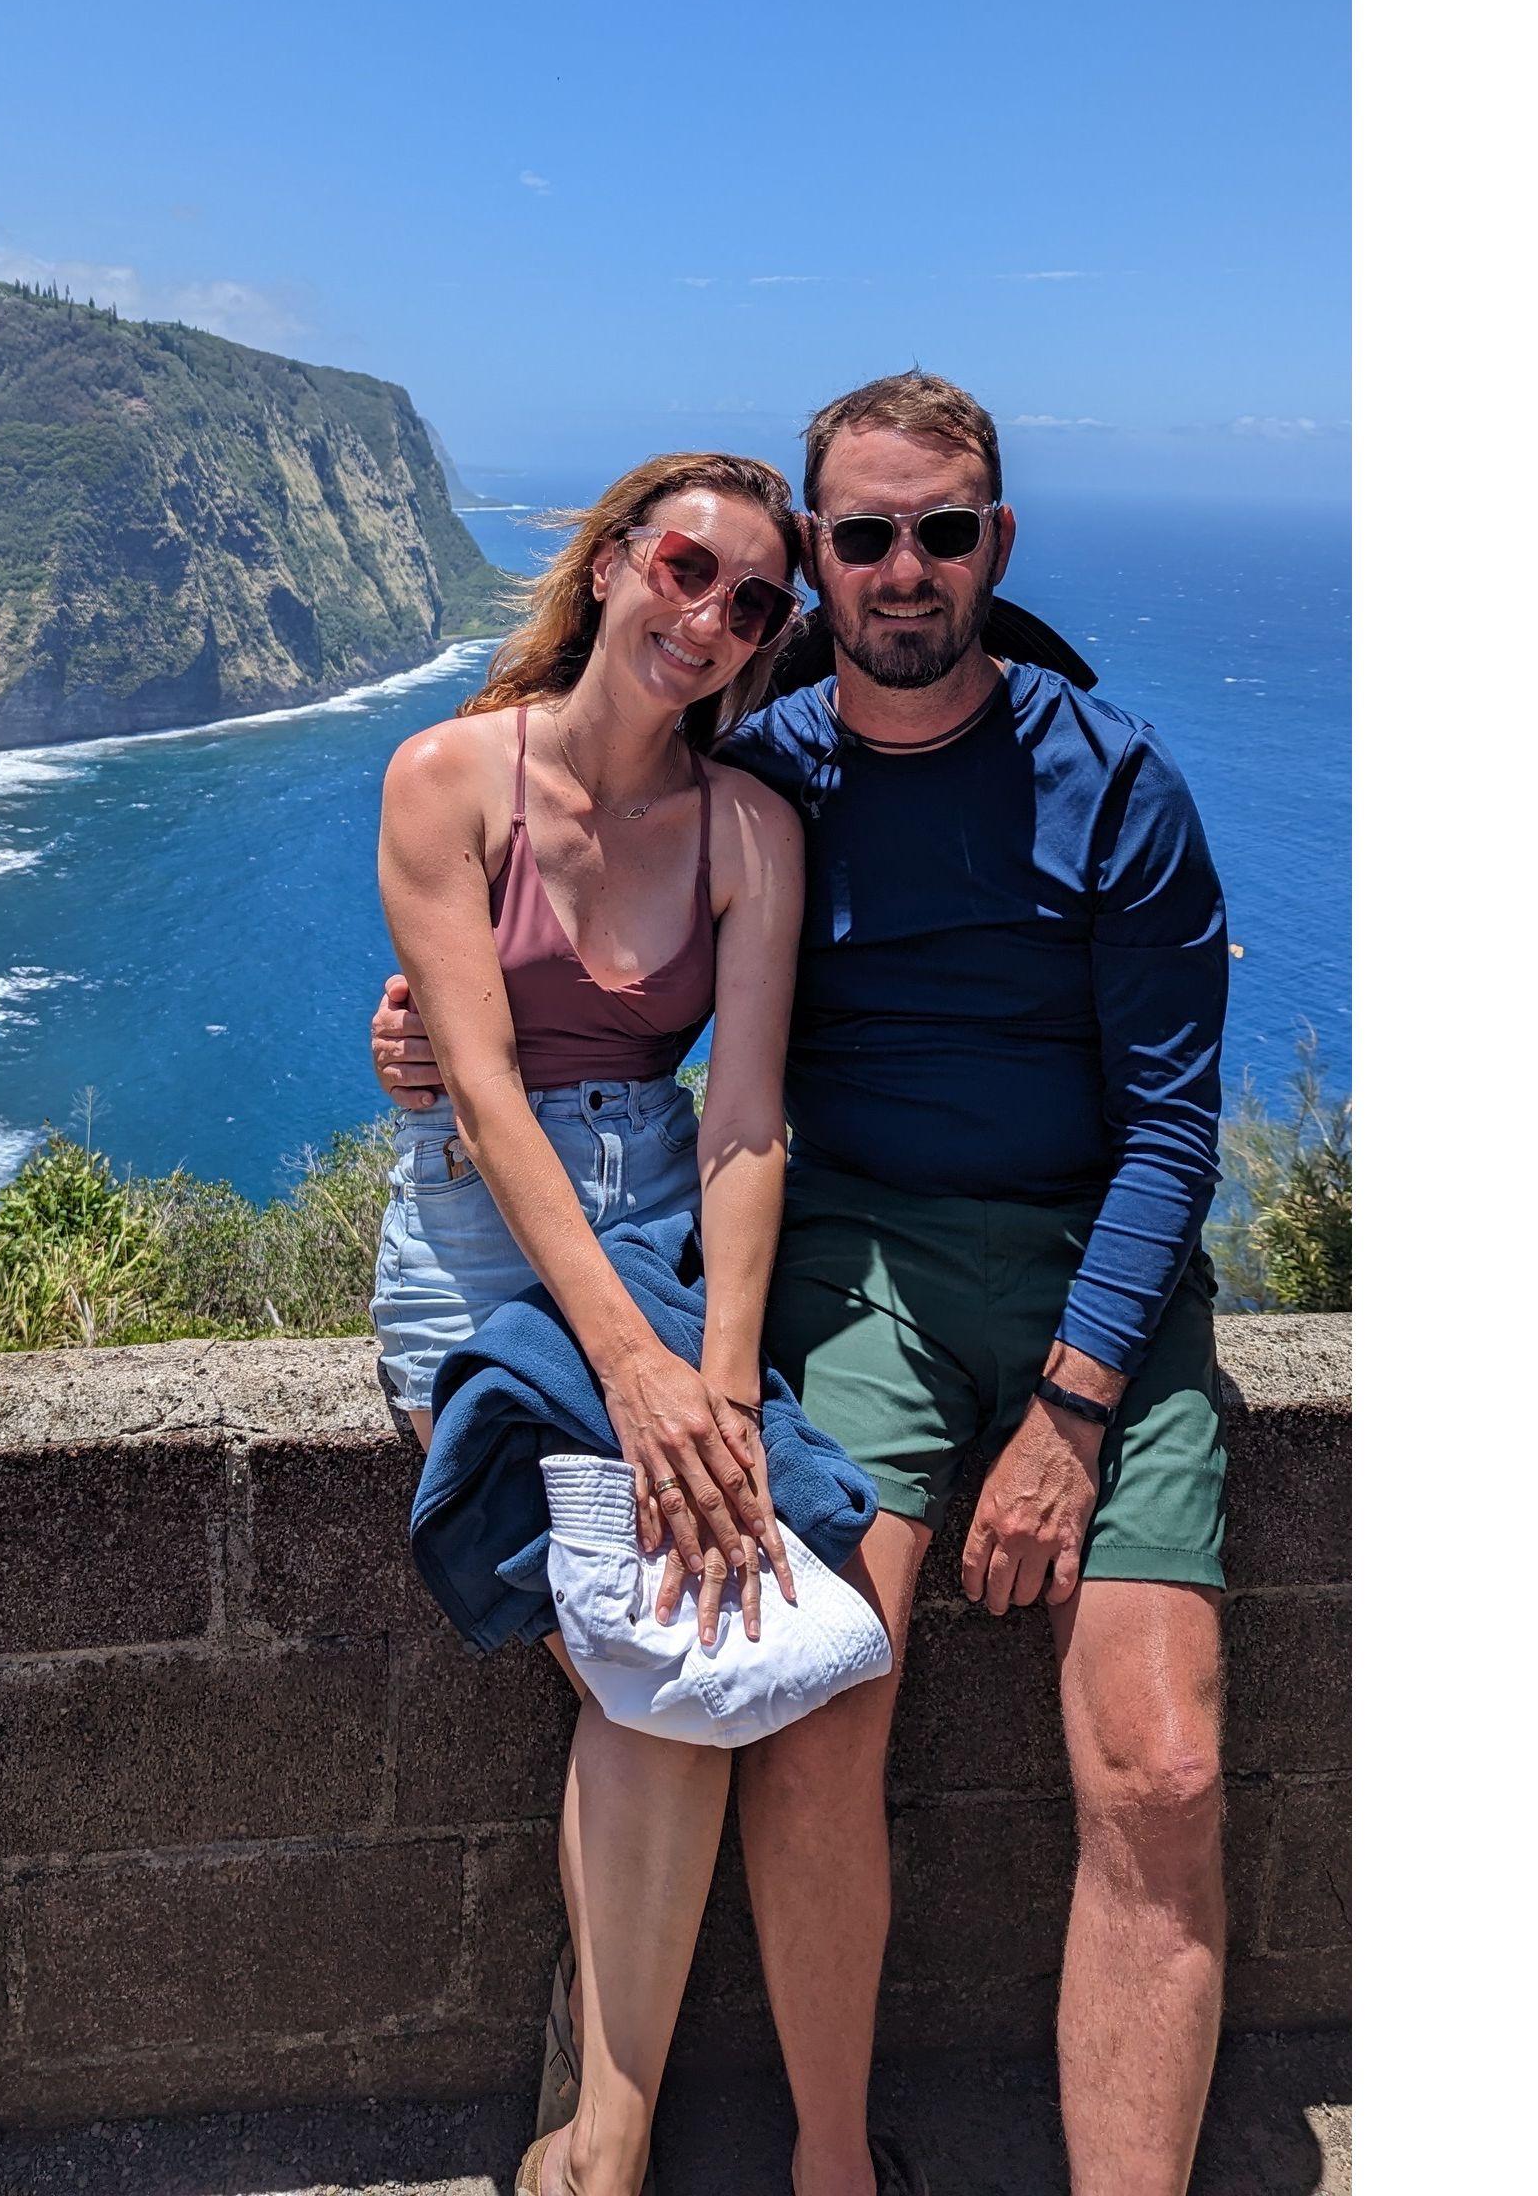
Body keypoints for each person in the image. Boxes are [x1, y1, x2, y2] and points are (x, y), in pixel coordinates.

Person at [375, 375, 1233, 2196]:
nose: (902, 569)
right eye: (860, 539)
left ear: (998, 547)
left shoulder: (1098, 784)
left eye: (944, 531)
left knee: (1160, 1768)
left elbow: (1164, 1129)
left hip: (1077, 1275)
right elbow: (566, 1034)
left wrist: (1071, 1405)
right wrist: (426, 1036)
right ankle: (812, 2163)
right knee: (792, 1689)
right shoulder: (752, 777)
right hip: (833, 1267)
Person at [372, 450, 810, 2196]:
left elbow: (747, 1120)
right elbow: (479, 1092)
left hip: (663, 1230)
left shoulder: (749, 832)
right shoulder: (449, 777)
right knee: (656, 1647)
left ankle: (596, 2142)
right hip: (490, 1243)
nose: (710, 617)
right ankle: (607, 2141)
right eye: (687, 569)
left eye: (753, 602)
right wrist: (628, 1366)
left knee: (685, 1620)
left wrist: (719, 1383)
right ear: (617, 562)